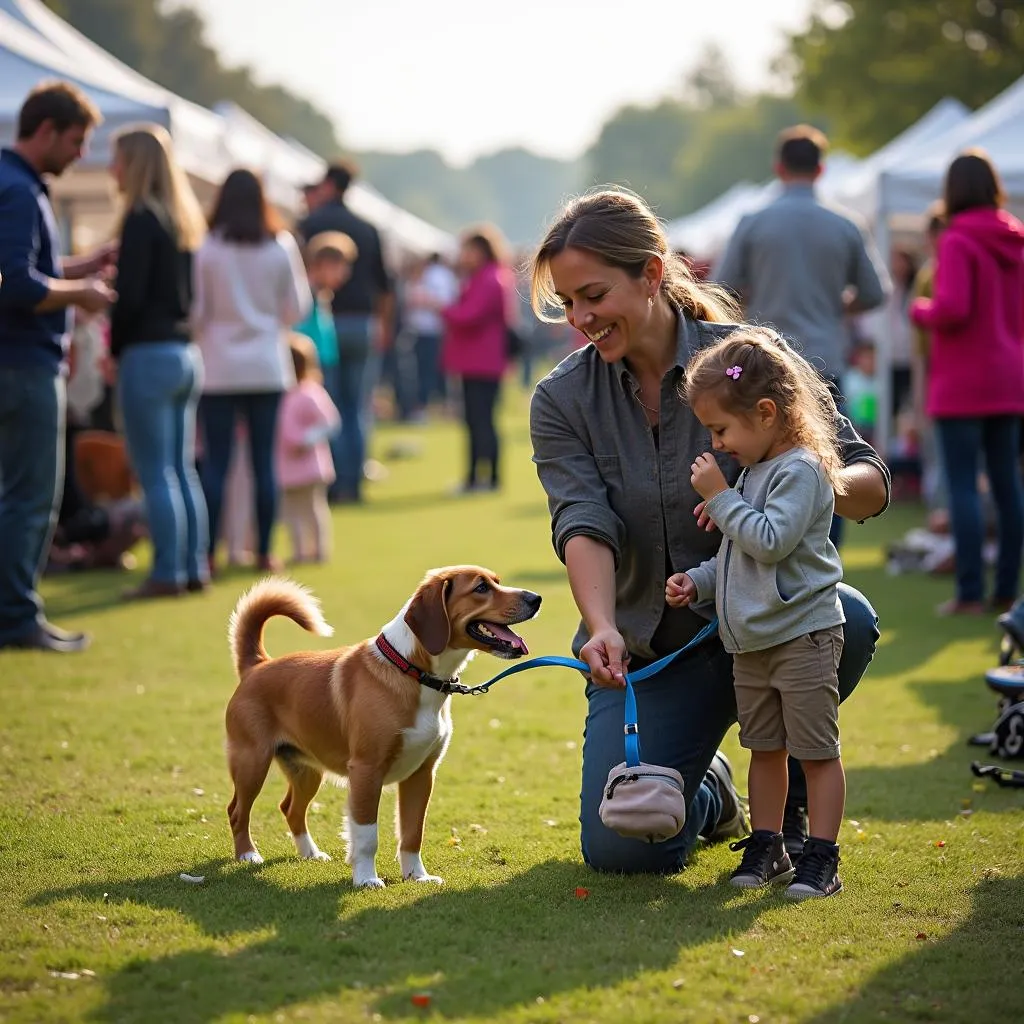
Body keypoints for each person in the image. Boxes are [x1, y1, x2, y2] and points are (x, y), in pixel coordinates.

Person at [528, 188, 888, 874]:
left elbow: (866, 480)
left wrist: (799, 479)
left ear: (653, 274)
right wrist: (600, 624)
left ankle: (786, 805)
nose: (580, 318)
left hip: (778, 629)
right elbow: (582, 520)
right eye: (569, 303)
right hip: (653, 655)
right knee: (622, 851)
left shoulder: (745, 360)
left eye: (593, 295)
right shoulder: (562, 399)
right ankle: (714, 791)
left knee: (851, 617)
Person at [666, 328, 847, 899]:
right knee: (763, 749)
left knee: (816, 753)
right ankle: (768, 845)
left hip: (802, 637)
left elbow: (770, 540)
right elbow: (739, 560)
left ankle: (822, 855)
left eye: (722, 429)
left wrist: (721, 498)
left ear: (766, 412)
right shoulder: (753, 474)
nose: (718, 444)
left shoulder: (800, 471)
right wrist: (694, 583)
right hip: (754, 643)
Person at [0, 81, 115, 653]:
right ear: (44, 130)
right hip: (24, 363)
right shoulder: (21, 192)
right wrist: (82, 293)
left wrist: (78, 266)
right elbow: (17, 284)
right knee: (30, 497)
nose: (81, 154)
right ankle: (17, 618)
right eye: (75, 140)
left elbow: (26, 268)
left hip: (14, 360)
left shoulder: (14, 183)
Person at [910, 150, 1024, 616]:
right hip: (1011, 376)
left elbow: (953, 308)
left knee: (962, 486)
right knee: (1007, 485)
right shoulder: (1016, 237)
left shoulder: (957, 240)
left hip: (963, 381)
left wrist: (919, 309)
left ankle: (971, 593)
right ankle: (1008, 591)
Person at [108, 124, 210, 600]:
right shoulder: (180, 222)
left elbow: (127, 301)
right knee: (181, 469)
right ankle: (192, 566)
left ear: (134, 164)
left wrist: (113, 350)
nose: (111, 169)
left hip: (148, 355)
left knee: (157, 472)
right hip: (184, 353)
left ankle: (167, 571)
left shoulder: (140, 219)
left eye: (117, 160)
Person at [192, 169, 310, 573]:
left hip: (219, 366)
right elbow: (298, 308)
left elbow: (196, 311)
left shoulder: (208, 246)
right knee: (264, 463)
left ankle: (207, 551)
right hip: (265, 364)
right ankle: (263, 550)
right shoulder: (280, 245)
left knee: (216, 463)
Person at [715, 125, 890, 387]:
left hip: (767, 359)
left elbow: (720, 288)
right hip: (824, 360)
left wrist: (754, 297)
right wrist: (838, 305)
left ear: (779, 168)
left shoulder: (752, 223)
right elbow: (875, 292)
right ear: (820, 170)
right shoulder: (846, 225)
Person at [298, 161, 394, 503]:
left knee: (330, 405)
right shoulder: (367, 228)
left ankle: (333, 481)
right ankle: (354, 481)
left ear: (326, 184)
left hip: (323, 322)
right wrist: (383, 324)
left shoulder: (309, 223)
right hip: (364, 320)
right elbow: (386, 285)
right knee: (359, 407)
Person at [442, 227, 514, 493]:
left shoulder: (489, 278)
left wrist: (442, 308)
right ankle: (481, 476)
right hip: (480, 360)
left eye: (469, 250)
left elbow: (469, 316)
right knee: (477, 420)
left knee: (480, 420)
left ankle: (484, 478)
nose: (464, 256)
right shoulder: (489, 276)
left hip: (481, 360)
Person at [294, 231, 356, 483]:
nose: (344, 274)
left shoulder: (319, 293)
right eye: (340, 267)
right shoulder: (304, 293)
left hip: (322, 365)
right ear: (323, 265)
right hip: (312, 368)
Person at [274, 334, 340, 564]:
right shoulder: (282, 395)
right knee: (293, 511)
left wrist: (306, 440)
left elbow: (330, 422)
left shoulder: (310, 392)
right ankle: (301, 551)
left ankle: (319, 550)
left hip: (310, 462)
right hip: (287, 464)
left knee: (313, 507)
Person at [405, 253, 459, 414]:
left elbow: (442, 302)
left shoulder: (435, 275)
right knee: (430, 369)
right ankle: (434, 404)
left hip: (431, 329)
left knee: (426, 369)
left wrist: (426, 301)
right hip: (432, 329)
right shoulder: (443, 275)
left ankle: (424, 405)